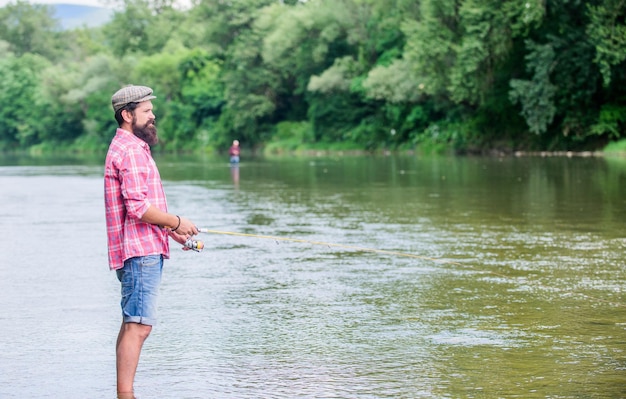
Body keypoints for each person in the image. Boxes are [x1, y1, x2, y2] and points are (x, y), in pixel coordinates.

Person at [104, 84, 199, 399]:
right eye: (146, 110)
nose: (153, 114)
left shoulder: (129, 146)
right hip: (140, 252)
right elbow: (138, 207)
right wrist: (177, 221)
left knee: (133, 322)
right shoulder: (130, 150)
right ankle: (126, 394)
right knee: (139, 326)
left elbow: (140, 206)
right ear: (127, 115)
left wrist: (172, 232)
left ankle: (123, 392)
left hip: (139, 248)